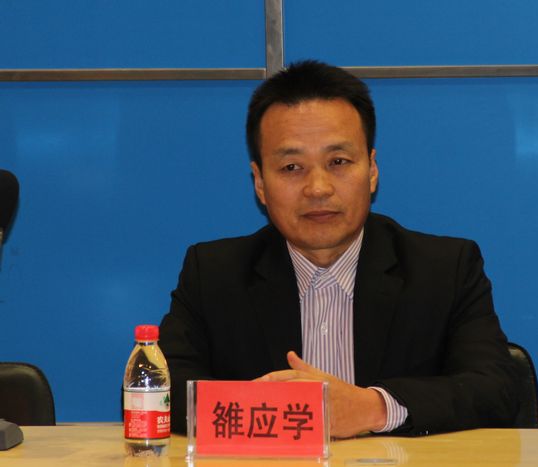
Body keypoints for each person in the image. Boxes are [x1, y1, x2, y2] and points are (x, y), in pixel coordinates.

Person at [159, 60, 517, 437]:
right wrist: (288, 412)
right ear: (260, 183)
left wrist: (374, 408)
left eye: (338, 162)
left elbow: (495, 390)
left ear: (372, 170)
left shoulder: (445, 270)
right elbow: (158, 391)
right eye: (292, 167)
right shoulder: (214, 274)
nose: (318, 188)